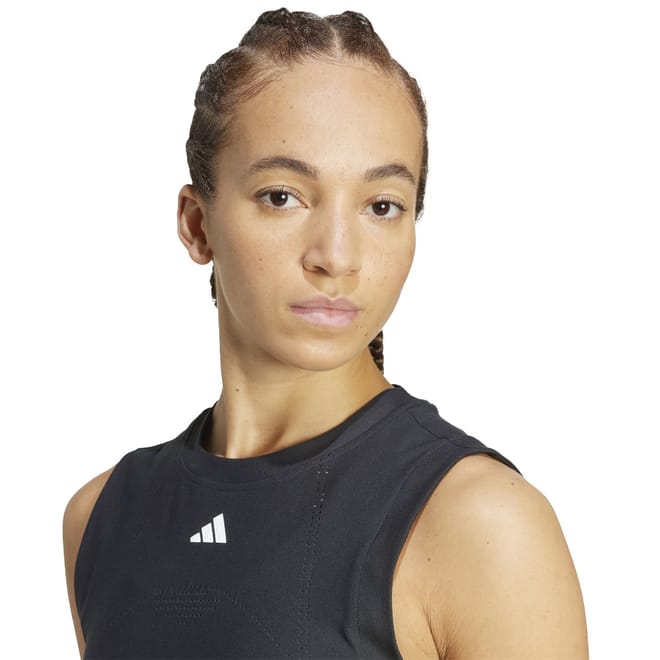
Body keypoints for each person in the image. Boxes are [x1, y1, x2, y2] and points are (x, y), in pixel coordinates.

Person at [63, 8, 588, 659]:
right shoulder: (102, 516)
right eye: (282, 196)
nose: (337, 256)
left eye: (382, 206)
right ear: (198, 225)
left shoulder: (480, 526)